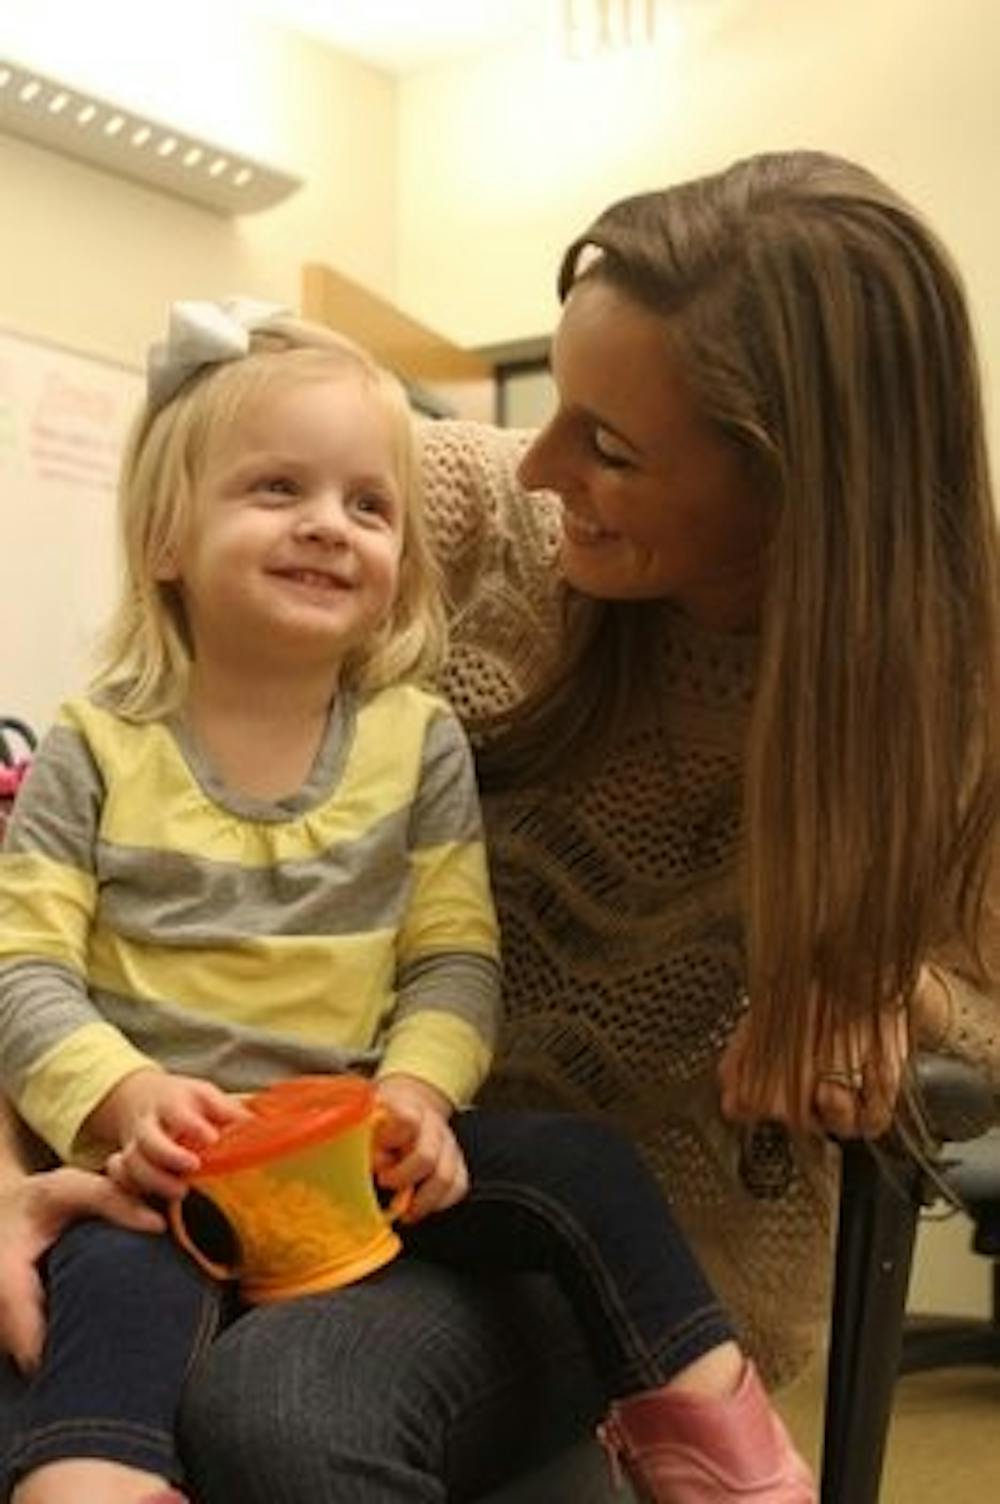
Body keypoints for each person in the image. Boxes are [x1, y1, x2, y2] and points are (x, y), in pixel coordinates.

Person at [0, 147, 997, 1504]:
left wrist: (889, 997)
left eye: (612, 445)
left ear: (786, 497)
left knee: (281, 1417)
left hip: (583, 1228)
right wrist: (17, 1168)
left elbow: (982, 1007)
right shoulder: (425, 510)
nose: (533, 463)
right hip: (258, 1164)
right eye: (558, 405)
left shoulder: (954, 707)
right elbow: (29, 933)